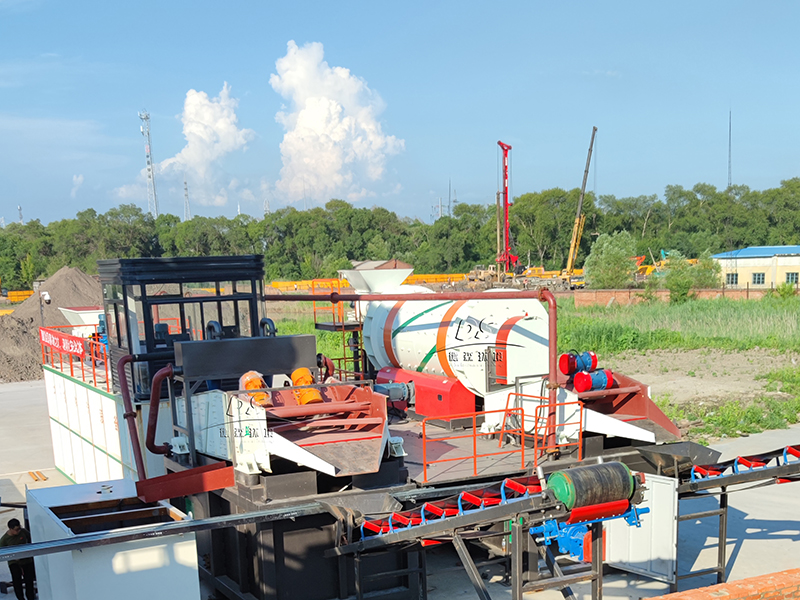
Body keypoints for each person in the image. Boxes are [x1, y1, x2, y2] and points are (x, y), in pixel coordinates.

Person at [0, 518, 35, 600]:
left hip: (26, 559)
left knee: (29, 580)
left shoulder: (23, 532)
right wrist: (11, 557)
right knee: (17, 581)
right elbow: (2, 552)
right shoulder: (4, 540)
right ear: (10, 529)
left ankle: (31, 597)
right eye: (16, 530)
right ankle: (20, 598)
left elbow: (30, 538)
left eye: (19, 528)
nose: (18, 531)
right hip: (14, 562)